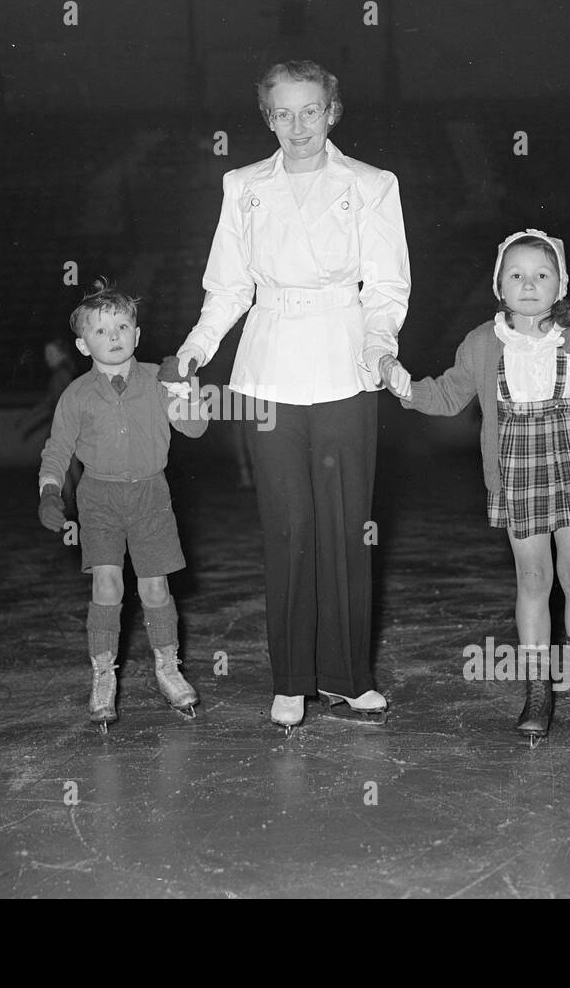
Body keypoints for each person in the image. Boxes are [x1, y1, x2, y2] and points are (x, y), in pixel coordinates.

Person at [171, 60, 410, 732]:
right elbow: (227, 290)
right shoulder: (241, 186)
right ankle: (291, 681)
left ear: (333, 111)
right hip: (268, 374)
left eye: (312, 110)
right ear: (267, 117)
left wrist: (376, 347)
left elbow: (387, 289)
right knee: (289, 529)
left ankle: (349, 679)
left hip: (345, 370)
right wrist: (196, 347)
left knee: (346, 529)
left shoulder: (371, 185)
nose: (298, 125)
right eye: (284, 112)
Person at [382, 230, 570, 744]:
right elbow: (449, 395)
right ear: (499, 285)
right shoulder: (481, 344)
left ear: (560, 283)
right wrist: (404, 385)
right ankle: (538, 689)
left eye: (541, 275)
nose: (529, 284)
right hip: (517, 472)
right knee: (533, 579)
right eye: (516, 275)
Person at [36, 280, 209, 731]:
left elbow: (195, 430)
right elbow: (57, 450)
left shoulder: (158, 379)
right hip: (99, 499)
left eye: (122, 326)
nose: (113, 336)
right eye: (101, 330)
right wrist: (50, 491)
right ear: (82, 343)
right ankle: (102, 676)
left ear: (137, 333)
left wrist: (185, 389)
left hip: (151, 495)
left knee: (155, 589)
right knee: (107, 587)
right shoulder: (75, 395)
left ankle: (168, 668)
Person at [16, 337, 81, 513]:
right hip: (68, 428)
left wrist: (29, 416)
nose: (47, 357)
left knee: (66, 469)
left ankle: (73, 506)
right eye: (46, 353)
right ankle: (79, 506)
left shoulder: (61, 375)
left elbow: (51, 403)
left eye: (50, 353)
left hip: (64, 429)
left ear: (61, 354)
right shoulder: (64, 372)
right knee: (70, 468)